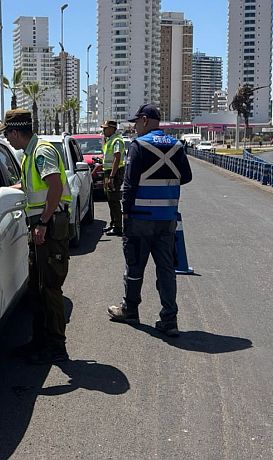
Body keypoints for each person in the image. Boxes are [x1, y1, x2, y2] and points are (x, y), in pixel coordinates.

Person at [106, 104, 192, 337]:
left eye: (136, 122)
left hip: (140, 218)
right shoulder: (176, 145)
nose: (134, 127)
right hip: (167, 218)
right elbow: (187, 176)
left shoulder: (138, 145)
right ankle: (169, 318)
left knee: (134, 266)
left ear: (145, 120)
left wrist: (125, 212)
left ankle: (130, 310)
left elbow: (130, 183)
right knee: (166, 268)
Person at [0, 109, 73, 365]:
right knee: (38, 287)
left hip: (50, 225)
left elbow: (54, 186)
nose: (7, 139)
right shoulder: (29, 155)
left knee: (51, 287)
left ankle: (56, 348)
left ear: (17, 132)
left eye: (7, 134)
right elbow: (29, 186)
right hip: (43, 226)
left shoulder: (41, 152)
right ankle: (40, 342)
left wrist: (42, 222)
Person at [100, 120, 126, 236]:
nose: (103, 130)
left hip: (113, 173)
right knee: (110, 199)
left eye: (105, 128)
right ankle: (113, 224)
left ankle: (118, 227)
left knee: (114, 201)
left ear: (112, 129)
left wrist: (111, 176)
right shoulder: (109, 140)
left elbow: (117, 158)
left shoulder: (117, 140)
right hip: (108, 172)